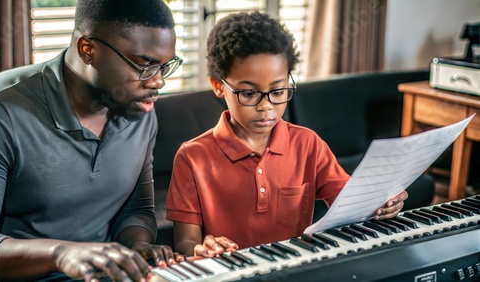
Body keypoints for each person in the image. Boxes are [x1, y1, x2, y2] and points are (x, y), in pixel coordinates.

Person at [165, 11, 409, 257]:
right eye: (249, 93)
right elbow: (185, 244)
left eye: (278, 91)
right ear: (219, 86)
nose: (266, 106)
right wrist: (201, 249)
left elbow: (351, 204)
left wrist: (383, 201)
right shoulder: (192, 157)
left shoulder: (308, 144)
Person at [0, 0, 184, 281]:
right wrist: (61, 255)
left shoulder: (138, 108)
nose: (158, 82)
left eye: (164, 66)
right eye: (144, 64)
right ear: (87, 50)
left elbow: (136, 210)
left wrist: (138, 246)